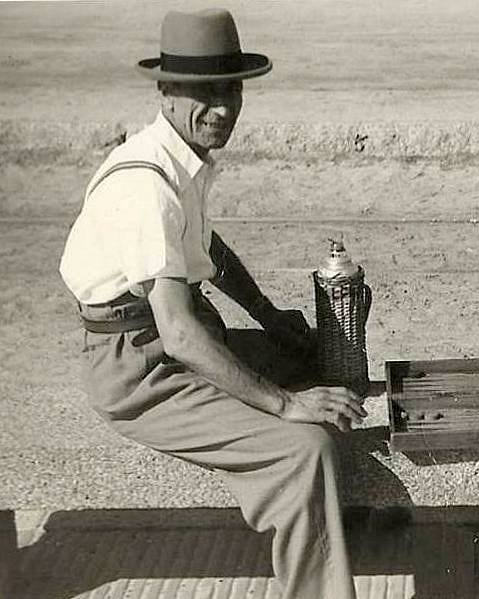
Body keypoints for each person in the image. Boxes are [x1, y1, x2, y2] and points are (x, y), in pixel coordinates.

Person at [59, 9, 363, 599]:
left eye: (232, 90)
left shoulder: (178, 158)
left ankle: (347, 534)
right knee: (305, 450)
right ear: (167, 92)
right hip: (140, 371)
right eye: (205, 93)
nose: (222, 109)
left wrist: (270, 317)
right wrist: (284, 405)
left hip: (176, 337)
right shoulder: (146, 185)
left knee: (320, 361)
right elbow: (178, 333)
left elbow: (208, 251)